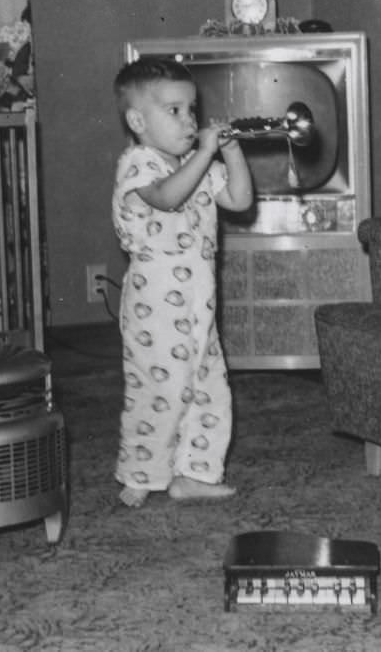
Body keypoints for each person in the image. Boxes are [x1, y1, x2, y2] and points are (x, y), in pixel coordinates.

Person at [111, 58, 253, 508]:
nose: (189, 120)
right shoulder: (137, 163)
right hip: (155, 309)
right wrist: (207, 155)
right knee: (158, 390)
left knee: (210, 389)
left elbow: (240, 199)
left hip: (199, 307)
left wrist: (230, 152)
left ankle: (195, 472)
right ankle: (141, 472)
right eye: (173, 110)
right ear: (138, 121)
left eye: (191, 109)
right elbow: (169, 198)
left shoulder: (198, 163)